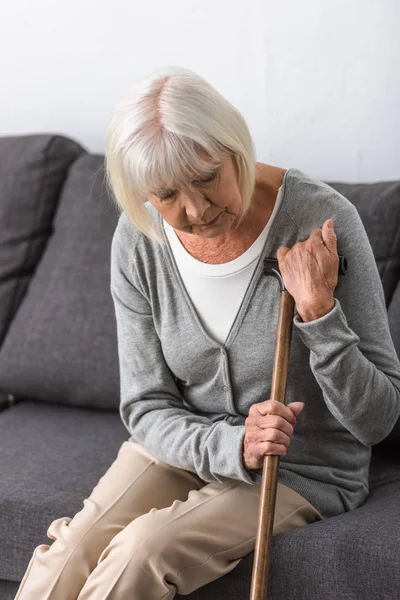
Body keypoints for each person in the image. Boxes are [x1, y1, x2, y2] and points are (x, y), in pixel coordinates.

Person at [15, 66, 400, 600]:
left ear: (235, 147)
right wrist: (230, 442)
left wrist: (320, 312)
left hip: (301, 469)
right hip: (182, 446)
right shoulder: (140, 238)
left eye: (207, 177)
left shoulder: (320, 222)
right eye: (167, 194)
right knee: (72, 550)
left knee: (141, 551)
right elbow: (146, 406)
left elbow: (378, 420)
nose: (195, 210)